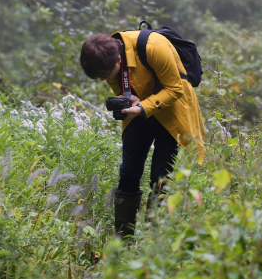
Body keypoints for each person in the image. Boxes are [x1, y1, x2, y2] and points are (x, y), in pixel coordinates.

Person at [80, 30, 205, 239]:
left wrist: (142, 108)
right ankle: (123, 239)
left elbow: (175, 89)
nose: (104, 79)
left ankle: (153, 240)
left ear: (118, 59)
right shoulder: (109, 59)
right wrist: (128, 104)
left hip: (172, 110)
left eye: (106, 75)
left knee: (161, 177)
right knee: (128, 172)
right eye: (99, 77)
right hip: (140, 110)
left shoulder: (154, 47)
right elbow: (120, 86)